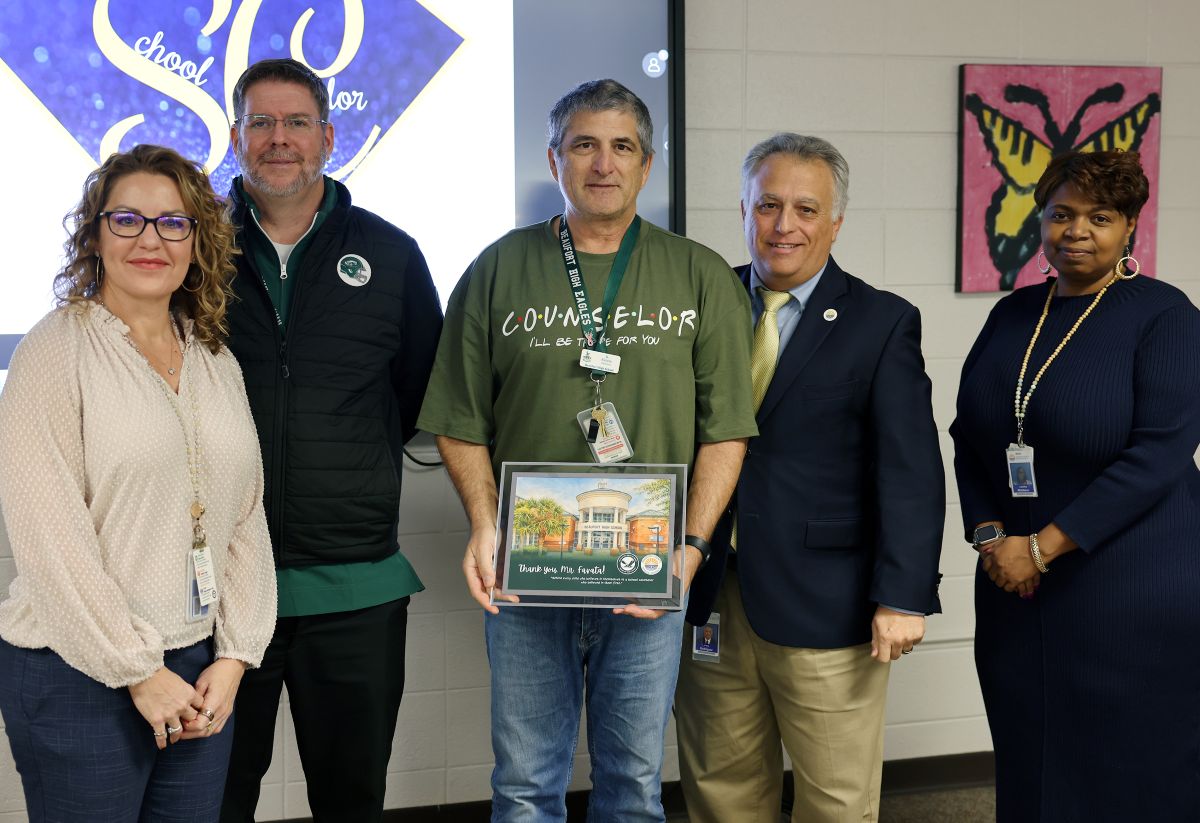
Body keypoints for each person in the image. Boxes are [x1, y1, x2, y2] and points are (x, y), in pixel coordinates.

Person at [416, 78, 758, 820]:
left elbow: (725, 430)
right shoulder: (497, 268)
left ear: (647, 164)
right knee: (524, 786)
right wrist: (484, 524)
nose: (603, 163)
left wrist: (691, 549)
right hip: (527, 571)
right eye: (584, 145)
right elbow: (458, 417)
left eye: (622, 147)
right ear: (554, 159)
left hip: (647, 571)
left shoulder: (701, 276)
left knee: (633, 785)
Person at [0, 144, 277, 822]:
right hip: (77, 670)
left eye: (173, 222)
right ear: (95, 235)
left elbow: (244, 515)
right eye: (126, 220)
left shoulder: (214, 357)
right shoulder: (53, 351)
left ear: (197, 242)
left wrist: (236, 655)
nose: (150, 240)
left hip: (198, 668)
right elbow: (49, 538)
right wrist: (137, 670)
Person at [677, 133, 945, 823]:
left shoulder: (881, 322)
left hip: (827, 602)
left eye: (805, 208)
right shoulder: (696, 304)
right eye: (768, 205)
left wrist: (904, 595)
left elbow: (910, 470)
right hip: (710, 592)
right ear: (743, 209)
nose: (784, 225)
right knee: (721, 789)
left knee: (836, 800)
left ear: (836, 221)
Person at [217, 59, 443, 822]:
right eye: (261, 123)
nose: (279, 139)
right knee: (212, 800)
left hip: (355, 590)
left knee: (351, 802)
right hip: (220, 590)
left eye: (297, 122)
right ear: (236, 138)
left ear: (329, 136)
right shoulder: (194, 252)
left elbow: (417, 396)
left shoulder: (391, 254)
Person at [951, 149, 1200, 822]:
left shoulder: (1165, 315)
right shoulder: (1014, 313)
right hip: (1014, 582)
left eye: (1100, 217)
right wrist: (992, 537)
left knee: (1124, 765)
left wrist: (1043, 547)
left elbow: (1158, 456)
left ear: (1130, 227)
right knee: (1029, 750)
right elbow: (969, 434)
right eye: (1061, 214)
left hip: (1131, 583)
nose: (1077, 231)